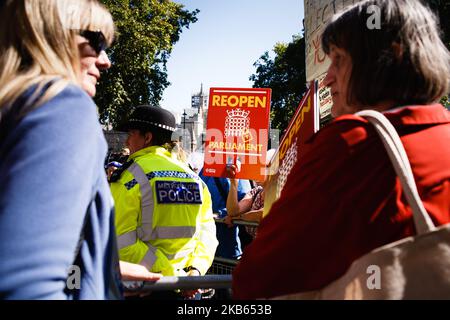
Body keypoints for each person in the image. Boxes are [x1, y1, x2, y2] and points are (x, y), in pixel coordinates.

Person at [233, 0, 450, 299]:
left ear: (392, 56)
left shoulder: (352, 144)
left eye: (338, 60)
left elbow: (256, 280)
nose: (327, 77)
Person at [0, 0, 122, 299]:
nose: (105, 60)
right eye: (96, 41)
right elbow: (25, 287)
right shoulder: (63, 107)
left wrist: (96, 269)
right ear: (51, 34)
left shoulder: (15, 107)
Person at [110, 105, 218, 299]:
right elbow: (207, 233)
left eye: (131, 134)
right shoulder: (194, 178)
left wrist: (171, 275)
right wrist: (194, 272)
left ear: (147, 137)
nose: (126, 140)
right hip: (190, 289)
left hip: (146, 287)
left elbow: (120, 242)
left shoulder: (129, 177)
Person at [199, 168, 252, 259]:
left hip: (227, 244)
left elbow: (244, 202)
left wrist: (220, 214)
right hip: (205, 246)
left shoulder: (237, 169)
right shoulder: (205, 169)